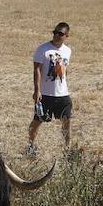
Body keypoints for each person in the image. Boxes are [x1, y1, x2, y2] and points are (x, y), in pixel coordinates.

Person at [28, 22, 73, 157]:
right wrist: (37, 90)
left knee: (67, 121)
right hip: (46, 94)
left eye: (60, 34)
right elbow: (37, 69)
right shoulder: (43, 49)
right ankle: (31, 146)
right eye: (55, 32)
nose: (56, 36)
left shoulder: (68, 51)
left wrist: (65, 86)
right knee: (37, 121)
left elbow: (65, 70)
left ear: (66, 36)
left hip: (63, 94)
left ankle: (67, 149)